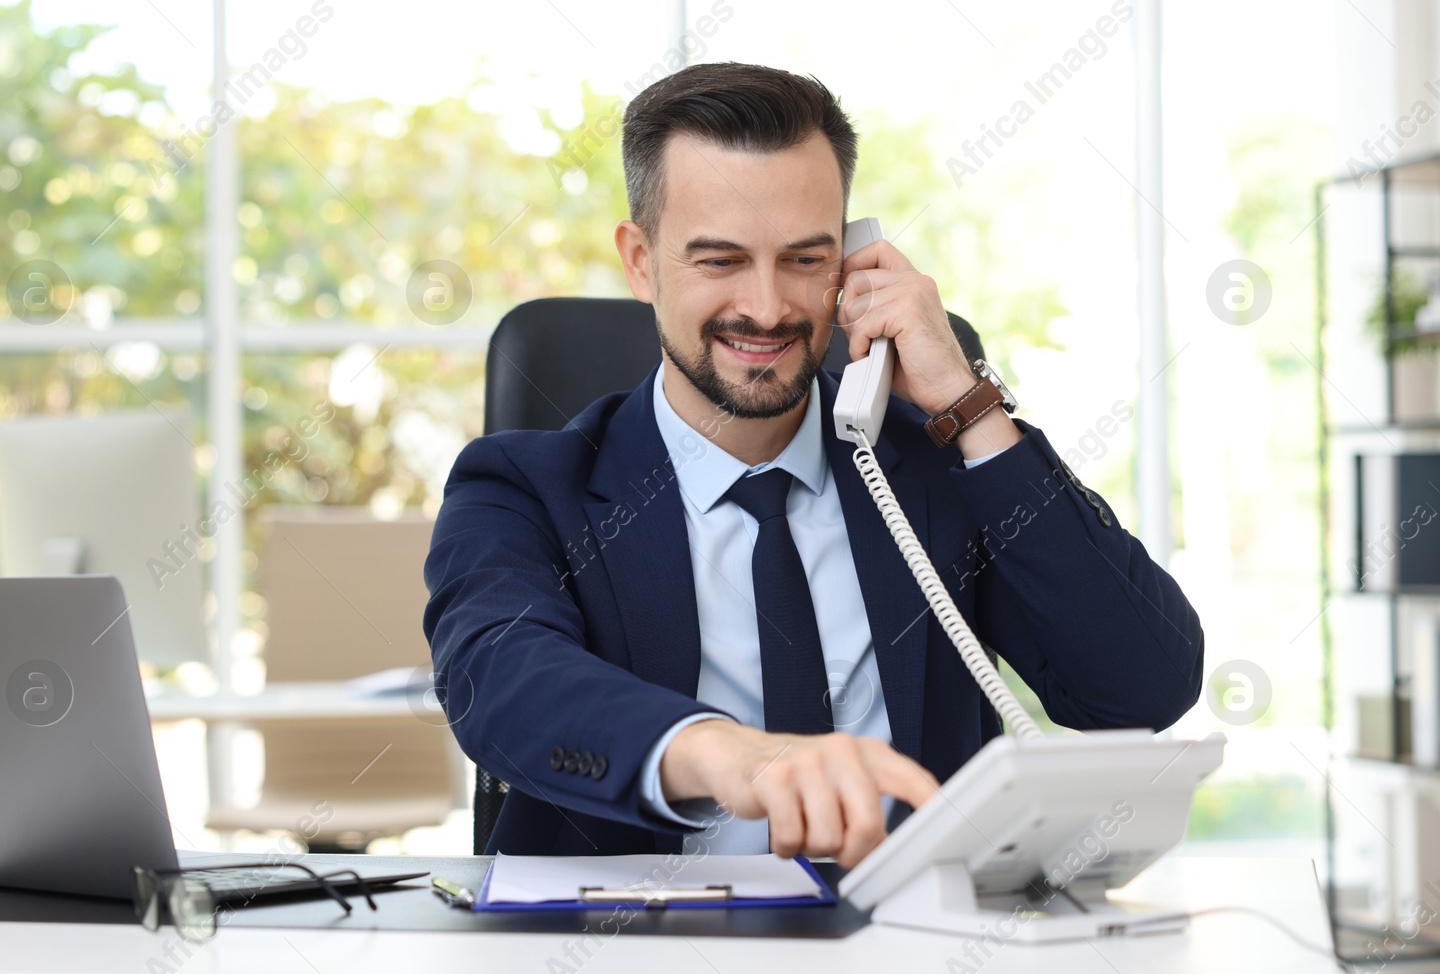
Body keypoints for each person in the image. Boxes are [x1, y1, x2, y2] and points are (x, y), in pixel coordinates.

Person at [423, 61, 1203, 868]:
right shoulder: (521, 488)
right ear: (641, 260)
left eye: (804, 259)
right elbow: (502, 681)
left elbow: (1144, 685)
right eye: (719, 259)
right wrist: (737, 758)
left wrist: (969, 408)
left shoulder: (929, 466)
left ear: (853, 260)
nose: (766, 307)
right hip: (639, 966)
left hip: (917, 957)